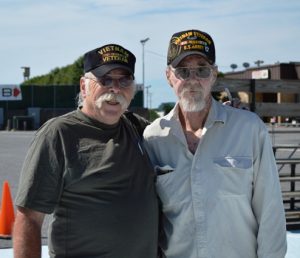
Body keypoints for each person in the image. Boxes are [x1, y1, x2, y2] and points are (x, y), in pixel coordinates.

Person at [143, 29, 287, 258]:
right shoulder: (153, 138)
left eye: (201, 69)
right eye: (182, 71)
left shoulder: (249, 129)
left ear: (214, 74)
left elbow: (271, 213)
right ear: (169, 76)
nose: (192, 80)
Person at [13, 44, 159, 258]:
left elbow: (184, 134)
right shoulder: (59, 134)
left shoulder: (138, 128)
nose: (115, 88)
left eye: (124, 80)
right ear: (84, 86)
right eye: (105, 80)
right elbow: (29, 219)